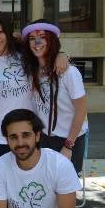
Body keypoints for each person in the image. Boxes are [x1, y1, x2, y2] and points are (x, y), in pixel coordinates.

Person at [0, 12, 71, 166]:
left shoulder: (25, 54)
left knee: (31, 177)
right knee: (1, 179)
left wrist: (62, 54)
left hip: (28, 134)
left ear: (8, 31)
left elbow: (46, 52)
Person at [21, 20, 88, 174]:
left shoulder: (69, 73)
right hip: (44, 138)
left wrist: (68, 146)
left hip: (69, 139)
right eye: (32, 38)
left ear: (51, 40)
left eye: (42, 37)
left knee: (66, 184)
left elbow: (81, 110)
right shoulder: (33, 72)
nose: (37, 42)